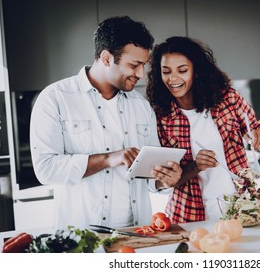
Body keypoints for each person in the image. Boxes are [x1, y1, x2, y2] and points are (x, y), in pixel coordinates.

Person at [30, 16, 182, 229]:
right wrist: (109, 159)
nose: (141, 74)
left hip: (138, 234)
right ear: (106, 58)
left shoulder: (141, 106)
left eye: (143, 65)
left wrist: (165, 179)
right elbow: (45, 169)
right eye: (134, 65)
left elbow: (149, 176)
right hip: (82, 238)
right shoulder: (56, 98)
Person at [146, 36, 260, 223]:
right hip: (189, 218)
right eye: (166, 71)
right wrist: (195, 167)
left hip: (241, 212)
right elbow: (163, 182)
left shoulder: (227, 99)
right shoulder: (160, 117)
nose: (173, 78)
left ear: (196, 72)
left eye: (182, 70)